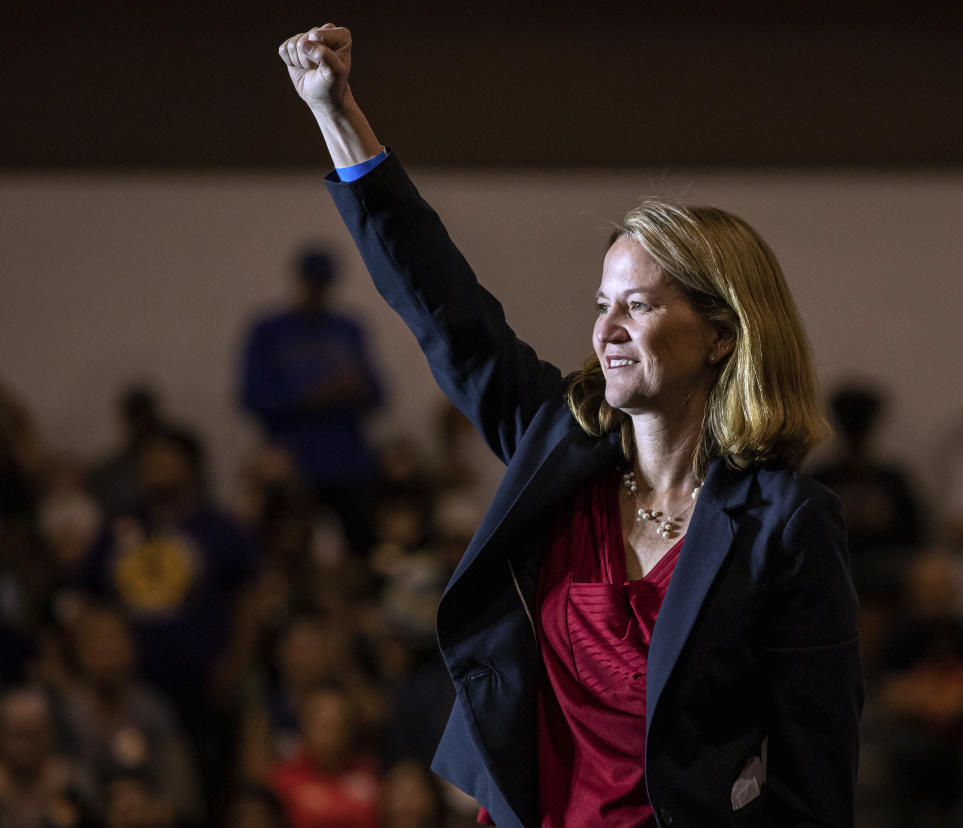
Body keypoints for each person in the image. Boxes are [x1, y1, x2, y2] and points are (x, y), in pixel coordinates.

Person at [278, 22, 862, 828]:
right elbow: (444, 308)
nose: (607, 328)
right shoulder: (557, 447)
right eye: (601, 304)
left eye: (641, 304)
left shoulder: (788, 521)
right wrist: (336, 112)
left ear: (723, 334)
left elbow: (815, 780)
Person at [240, 244, 386, 557]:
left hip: (347, 463)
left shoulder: (349, 329)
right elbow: (251, 395)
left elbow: (379, 393)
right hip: (289, 465)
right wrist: (310, 396)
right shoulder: (268, 330)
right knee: (283, 554)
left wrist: (355, 389)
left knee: (361, 551)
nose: (318, 290)